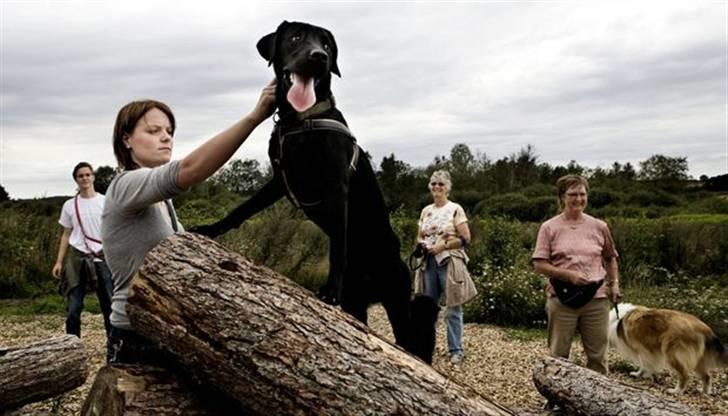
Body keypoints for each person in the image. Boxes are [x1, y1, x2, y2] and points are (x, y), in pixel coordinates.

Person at [102, 80, 276, 364]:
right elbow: (190, 169)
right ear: (126, 139)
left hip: (167, 331)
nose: (166, 137)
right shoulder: (125, 186)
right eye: (153, 130)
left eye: (169, 131)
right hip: (135, 338)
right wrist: (254, 117)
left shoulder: (160, 200)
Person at [532, 174, 621, 374]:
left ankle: (599, 399)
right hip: (562, 298)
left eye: (582, 194)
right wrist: (568, 275)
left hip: (596, 299)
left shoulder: (599, 226)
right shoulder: (549, 227)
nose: (578, 199)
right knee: (558, 355)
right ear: (562, 197)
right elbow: (539, 264)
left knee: (598, 356)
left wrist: (614, 284)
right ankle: (555, 398)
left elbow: (610, 257)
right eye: (573, 194)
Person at [413, 170, 477, 364]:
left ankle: (456, 349)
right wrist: (422, 244)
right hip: (428, 263)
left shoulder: (455, 209)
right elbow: (419, 236)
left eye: (441, 184)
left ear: (447, 188)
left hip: (448, 261)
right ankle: (426, 347)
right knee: (428, 308)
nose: (437, 187)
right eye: (433, 184)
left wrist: (443, 245)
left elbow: (466, 238)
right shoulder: (426, 210)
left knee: (453, 308)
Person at [52, 162, 114, 342]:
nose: (85, 178)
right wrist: (58, 262)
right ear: (76, 180)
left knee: (109, 306)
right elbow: (66, 234)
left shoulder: (105, 201)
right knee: (73, 308)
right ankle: (71, 347)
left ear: (93, 177)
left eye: (88, 174)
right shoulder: (70, 205)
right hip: (77, 258)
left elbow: (114, 230)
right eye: (81, 176)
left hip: (102, 257)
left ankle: (114, 350)